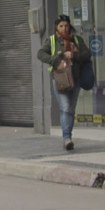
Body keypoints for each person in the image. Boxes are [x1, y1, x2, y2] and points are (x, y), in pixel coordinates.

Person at [36, 14, 90, 151]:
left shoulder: (77, 40)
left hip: (75, 79)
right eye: (61, 26)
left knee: (70, 109)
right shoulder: (52, 40)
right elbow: (40, 53)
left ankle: (68, 136)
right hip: (60, 79)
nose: (64, 28)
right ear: (56, 28)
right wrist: (56, 61)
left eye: (66, 25)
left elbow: (87, 54)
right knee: (65, 107)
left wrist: (74, 55)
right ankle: (67, 139)